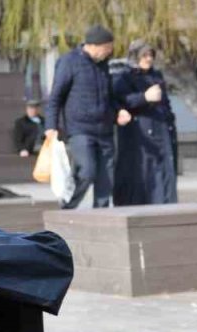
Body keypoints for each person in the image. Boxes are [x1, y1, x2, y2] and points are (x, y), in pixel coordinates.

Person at [45, 25, 131, 209]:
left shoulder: (103, 65)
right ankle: (67, 207)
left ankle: (101, 215)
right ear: (94, 45)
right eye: (107, 48)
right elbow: (56, 97)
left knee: (106, 178)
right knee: (87, 171)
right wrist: (50, 125)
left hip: (105, 129)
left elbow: (109, 96)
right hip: (80, 129)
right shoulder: (69, 62)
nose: (109, 52)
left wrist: (118, 111)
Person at [112, 41, 177, 205]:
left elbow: (164, 102)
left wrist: (169, 119)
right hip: (138, 131)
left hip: (160, 127)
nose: (148, 59)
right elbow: (120, 101)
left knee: (162, 169)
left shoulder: (156, 76)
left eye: (150, 56)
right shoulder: (124, 77)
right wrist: (144, 98)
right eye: (144, 56)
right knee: (142, 169)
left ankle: (164, 203)